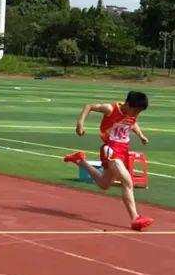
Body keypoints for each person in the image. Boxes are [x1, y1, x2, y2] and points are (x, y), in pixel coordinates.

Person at [63, 91, 153, 231]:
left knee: (104, 184)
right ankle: (135, 218)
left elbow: (132, 123)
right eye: (135, 110)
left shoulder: (132, 114)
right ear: (128, 104)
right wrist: (80, 123)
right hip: (110, 149)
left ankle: (80, 160)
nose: (136, 114)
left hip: (123, 150)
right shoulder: (111, 109)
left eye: (139, 112)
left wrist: (141, 135)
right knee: (127, 180)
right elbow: (89, 106)